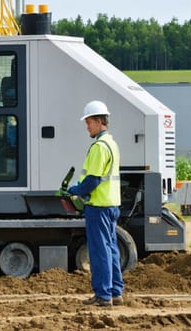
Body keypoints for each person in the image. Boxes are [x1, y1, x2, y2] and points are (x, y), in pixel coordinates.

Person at [67, 100, 124, 307]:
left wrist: (74, 190)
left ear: (100, 121)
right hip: (111, 205)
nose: (86, 126)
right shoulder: (112, 144)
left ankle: (103, 295)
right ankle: (116, 293)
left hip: (98, 206)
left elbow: (93, 180)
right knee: (111, 249)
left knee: (99, 252)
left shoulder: (99, 147)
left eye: (89, 122)